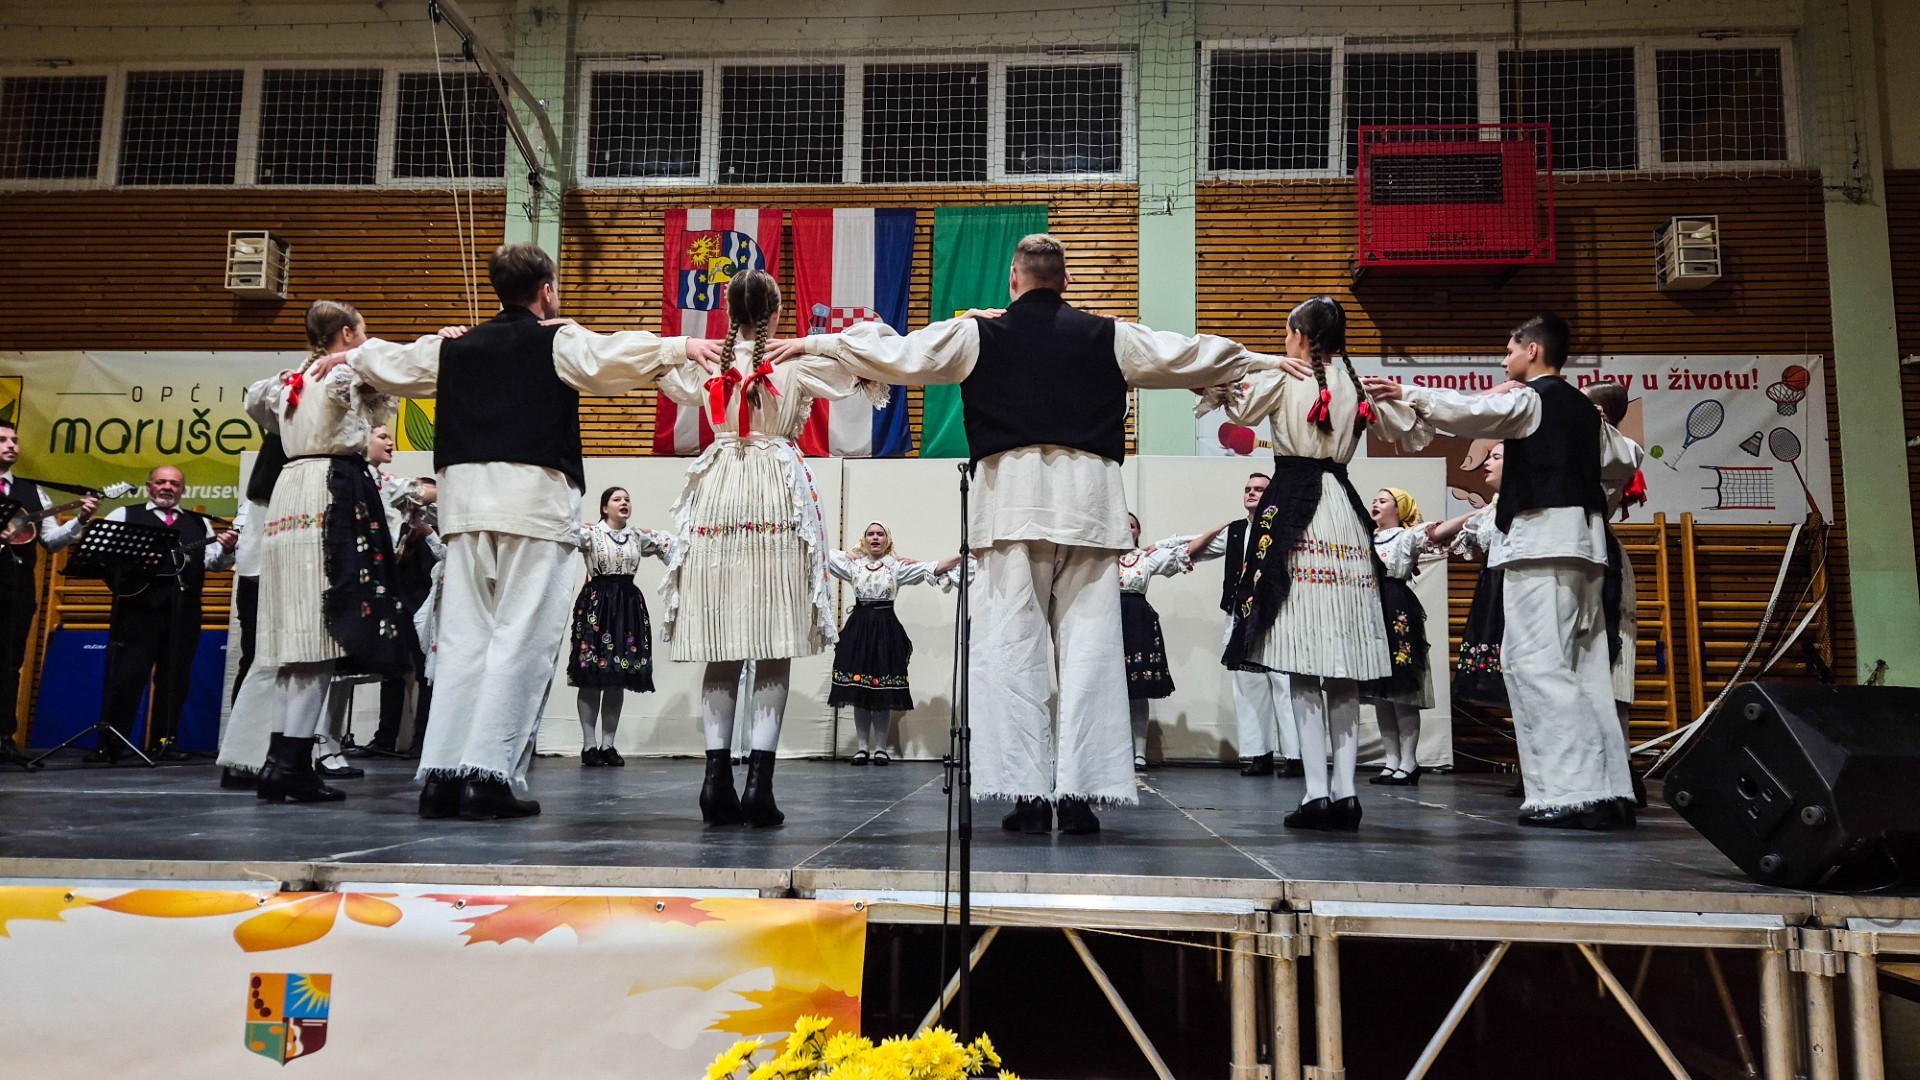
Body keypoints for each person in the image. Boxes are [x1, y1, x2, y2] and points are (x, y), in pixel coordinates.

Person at [771, 233, 1286, 836]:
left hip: (1010, 507)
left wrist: (812, 341)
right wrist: (1270, 361)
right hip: (1090, 509)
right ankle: (1082, 794)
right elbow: (1190, 354)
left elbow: (900, 356)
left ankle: (1027, 793)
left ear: (1013, 279)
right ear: (1065, 281)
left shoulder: (976, 333)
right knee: (1091, 656)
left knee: (1012, 655)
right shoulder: (1109, 335)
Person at [319, 242, 719, 821]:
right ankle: (487, 775)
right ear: (546, 291)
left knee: (463, 642)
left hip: (465, 508)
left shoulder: (455, 346)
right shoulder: (556, 339)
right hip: (532, 504)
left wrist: (349, 356)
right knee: (520, 640)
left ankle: (442, 777)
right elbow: (610, 356)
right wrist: (679, 345)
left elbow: (394, 361)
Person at [1363, 314, 1644, 830]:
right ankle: (1609, 791)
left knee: (1536, 663)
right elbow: (1626, 459)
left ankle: (1568, 793)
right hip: (1587, 546)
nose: (1503, 359)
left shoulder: (1533, 398)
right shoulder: (1584, 410)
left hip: (1541, 543)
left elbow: (1471, 412)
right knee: (1584, 670)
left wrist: (1408, 392)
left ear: (1533, 350)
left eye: (1509, 349)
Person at [654, 269, 878, 827]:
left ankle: (715, 784)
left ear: (728, 313)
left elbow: (656, 367)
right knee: (773, 641)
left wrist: (683, 345)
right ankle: (759, 786)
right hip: (775, 493)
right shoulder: (795, 361)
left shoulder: (707, 360)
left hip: (717, 493)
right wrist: (811, 342)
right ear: (777, 314)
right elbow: (872, 351)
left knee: (723, 644)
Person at [1220, 296, 1417, 832]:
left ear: (1302, 335)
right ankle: (1346, 793)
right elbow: (1406, 427)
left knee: (1302, 660)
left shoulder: (1286, 376)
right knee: (1344, 665)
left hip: (1297, 513)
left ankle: (1315, 793)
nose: (1285, 341)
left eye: (1289, 332)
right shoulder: (1355, 383)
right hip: (1344, 518)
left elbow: (1238, 409)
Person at [245, 300, 413, 804]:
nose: (367, 339)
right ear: (345, 333)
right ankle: (292, 764)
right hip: (331, 489)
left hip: (291, 490)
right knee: (318, 636)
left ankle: (280, 762)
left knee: (296, 640)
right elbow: (391, 378)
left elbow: (256, 403)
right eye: (362, 331)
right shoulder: (344, 374)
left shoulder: (284, 381)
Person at [92, 465, 238, 761]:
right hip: (137, 612)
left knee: (175, 680)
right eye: (161, 482)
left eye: (174, 483)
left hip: (184, 612)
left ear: (183, 490)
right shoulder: (124, 514)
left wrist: (226, 550)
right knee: (128, 678)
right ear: (149, 486)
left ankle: (164, 743)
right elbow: (100, 557)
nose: (167, 488)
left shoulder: (199, 523)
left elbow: (213, 564)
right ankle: (111, 746)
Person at [0, 421, 97, 762]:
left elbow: (52, 541)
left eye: (14, 439)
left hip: (17, 588)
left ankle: (4, 738)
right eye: (3, 440)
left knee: (10, 664)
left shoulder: (34, 492)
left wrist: (80, 520)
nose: (11, 445)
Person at [826, 521, 960, 767]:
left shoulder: (895, 567)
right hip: (859, 628)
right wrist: (846, 554)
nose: (875, 538)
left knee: (882, 690)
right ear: (864, 539)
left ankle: (880, 748)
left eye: (880, 534)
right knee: (859, 689)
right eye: (870, 534)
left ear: (887, 540)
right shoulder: (854, 565)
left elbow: (933, 567)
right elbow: (823, 554)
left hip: (885, 629)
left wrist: (963, 555)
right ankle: (862, 748)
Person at [1196, 473, 1303, 778]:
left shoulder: (1287, 528)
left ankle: (1295, 756)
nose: (1251, 493)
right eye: (1248, 489)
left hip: (1278, 614)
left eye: (1259, 489)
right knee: (1248, 686)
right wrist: (1161, 548)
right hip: (1241, 616)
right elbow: (1198, 547)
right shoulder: (1235, 532)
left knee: (1285, 684)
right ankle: (1259, 754)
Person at [570, 486, 675, 767]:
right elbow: (561, 535)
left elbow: (672, 545)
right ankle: (589, 745)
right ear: (605, 508)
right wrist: (573, 526)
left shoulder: (637, 536)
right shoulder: (592, 534)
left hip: (627, 606)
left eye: (627, 499)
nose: (624, 502)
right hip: (598, 605)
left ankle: (608, 744)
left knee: (618, 676)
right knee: (592, 675)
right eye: (617, 499)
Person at [1583, 381, 1649, 807]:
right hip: (1577, 553)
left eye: (1585, 404)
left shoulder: (1618, 449)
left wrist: (1599, 428)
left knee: (1611, 668)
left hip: (1600, 556)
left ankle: (1620, 773)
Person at [1118, 514, 1227, 770]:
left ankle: (1139, 753)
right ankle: (1111, 753)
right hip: (1106, 621)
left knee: (1138, 690)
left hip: (1136, 623)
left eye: (1131, 525)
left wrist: (1165, 542)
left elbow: (1190, 549)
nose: (1125, 528)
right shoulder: (1098, 558)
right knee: (1106, 690)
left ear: (1138, 532)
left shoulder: (1145, 558)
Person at [215, 431, 290, 789]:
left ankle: (255, 756)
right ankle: (246, 758)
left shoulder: (260, 496)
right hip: (264, 582)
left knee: (265, 665)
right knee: (261, 664)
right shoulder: (269, 498)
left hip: (259, 580)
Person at [1362, 488, 1437, 786]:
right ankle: (1391, 759)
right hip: (1370, 607)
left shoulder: (1407, 536)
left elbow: (1437, 531)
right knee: (1380, 692)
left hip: (1395, 605)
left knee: (1402, 687)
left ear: (1399, 509)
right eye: (1374, 500)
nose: (1375, 504)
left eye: (1383, 500)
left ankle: (1409, 761)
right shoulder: (1366, 537)